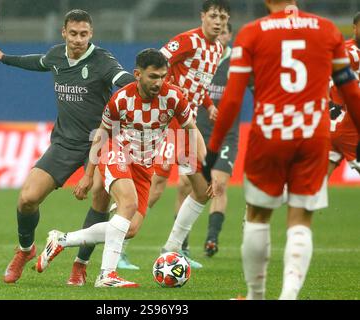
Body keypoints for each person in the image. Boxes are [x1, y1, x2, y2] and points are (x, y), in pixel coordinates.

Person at [205, 0, 360, 300]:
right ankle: (288, 297)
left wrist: (213, 149)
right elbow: (350, 90)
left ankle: (256, 296)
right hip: (313, 134)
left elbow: (233, 99)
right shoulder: (327, 30)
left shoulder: (251, 33)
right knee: (301, 219)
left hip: (269, 133)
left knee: (258, 216)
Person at [0, 9, 135, 284]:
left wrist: (143, 87)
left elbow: (121, 78)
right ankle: (26, 250)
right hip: (64, 142)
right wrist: (3, 58)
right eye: (74, 34)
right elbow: (37, 62)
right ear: (64, 33)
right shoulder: (56, 56)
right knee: (27, 199)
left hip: (100, 142)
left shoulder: (102, 60)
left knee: (100, 196)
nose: (79, 39)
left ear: (92, 34)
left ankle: (81, 264)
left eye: (84, 34)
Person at [34, 48, 206, 288]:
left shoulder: (174, 97)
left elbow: (191, 128)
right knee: (128, 205)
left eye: (163, 76)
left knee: (130, 228)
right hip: (117, 152)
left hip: (145, 166)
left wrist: (205, 163)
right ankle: (107, 275)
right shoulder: (121, 99)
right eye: (153, 77)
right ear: (137, 74)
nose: (159, 82)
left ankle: (62, 240)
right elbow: (101, 134)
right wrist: (88, 174)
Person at [114, 0, 231, 270]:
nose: (218, 21)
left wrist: (209, 105)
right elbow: (155, 66)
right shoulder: (186, 41)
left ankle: (172, 249)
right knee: (154, 186)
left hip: (186, 124)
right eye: (213, 15)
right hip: (166, 122)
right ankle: (118, 247)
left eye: (223, 17)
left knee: (202, 190)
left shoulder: (218, 48)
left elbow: (198, 85)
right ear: (203, 16)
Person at [194, 23, 239, 257]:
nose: (219, 36)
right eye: (217, 32)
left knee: (219, 185)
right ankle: (180, 245)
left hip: (226, 135)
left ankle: (212, 238)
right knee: (186, 186)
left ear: (230, 35)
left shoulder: (238, 62)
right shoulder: (200, 59)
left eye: (224, 32)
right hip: (198, 131)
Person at [328, 12, 360, 177]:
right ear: (354, 28)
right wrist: (328, 103)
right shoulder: (349, 51)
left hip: (336, 126)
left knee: (313, 181)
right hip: (348, 126)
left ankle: (264, 199)